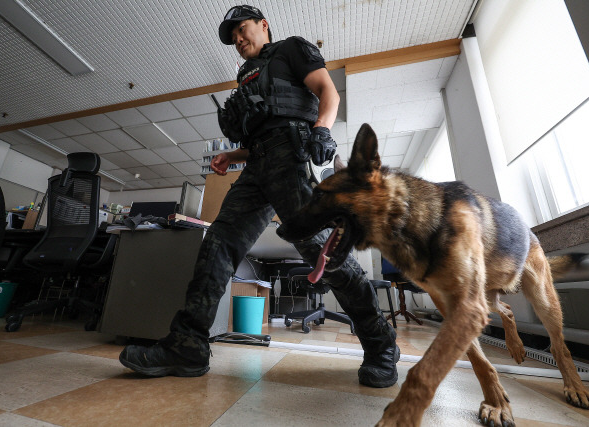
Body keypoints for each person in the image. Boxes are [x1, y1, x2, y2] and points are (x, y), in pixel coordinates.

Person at [119, 4, 399, 388]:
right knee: (217, 245)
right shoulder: (245, 77)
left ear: (263, 25)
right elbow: (262, 133)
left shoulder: (291, 50)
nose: (237, 38)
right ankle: (187, 347)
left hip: (294, 157)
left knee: (323, 253)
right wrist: (233, 155)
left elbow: (326, 91)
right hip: (257, 168)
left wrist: (321, 129)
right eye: (231, 35)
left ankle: (381, 344)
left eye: (242, 28)